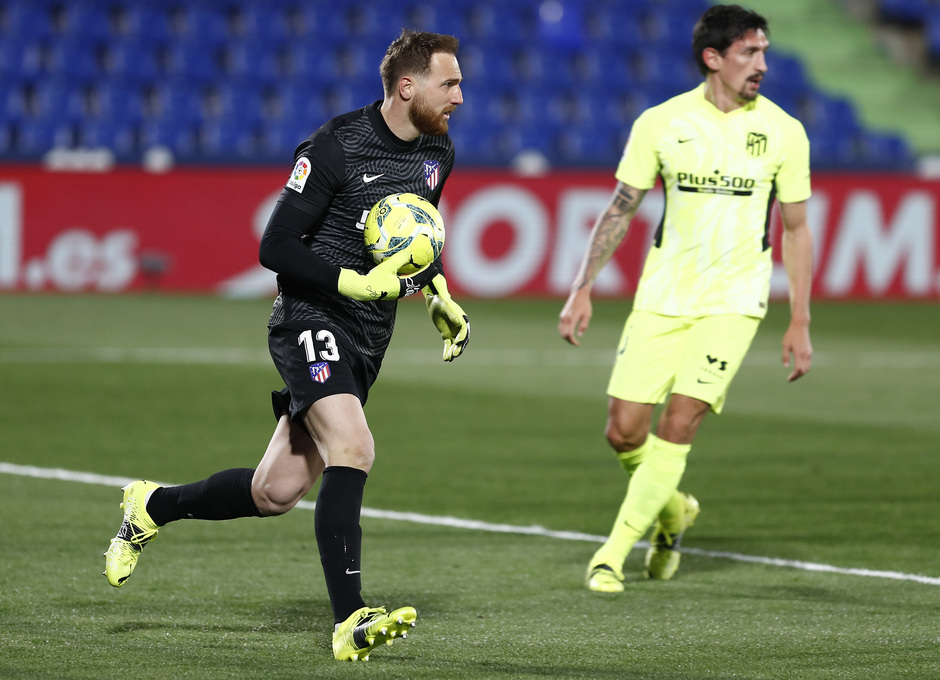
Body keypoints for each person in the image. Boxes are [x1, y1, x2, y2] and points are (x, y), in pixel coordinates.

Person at [103, 29, 470, 661]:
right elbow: (275, 247)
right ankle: (350, 620)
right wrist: (353, 280)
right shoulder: (334, 146)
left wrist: (437, 292)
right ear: (407, 87)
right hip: (310, 316)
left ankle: (151, 505)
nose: (460, 96)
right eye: (450, 83)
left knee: (275, 492)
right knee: (354, 446)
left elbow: (412, 235)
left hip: (368, 334)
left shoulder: (438, 152)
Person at [558, 4, 813, 593]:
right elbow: (623, 205)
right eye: (750, 53)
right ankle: (673, 512)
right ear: (713, 58)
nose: (763, 65)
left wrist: (799, 319)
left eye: (765, 53)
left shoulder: (783, 131)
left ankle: (612, 554)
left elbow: (796, 229)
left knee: (680, 420)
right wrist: (583, 285)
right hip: (663, 295)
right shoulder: (661, 123)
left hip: (736, 301)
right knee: (623, 431)